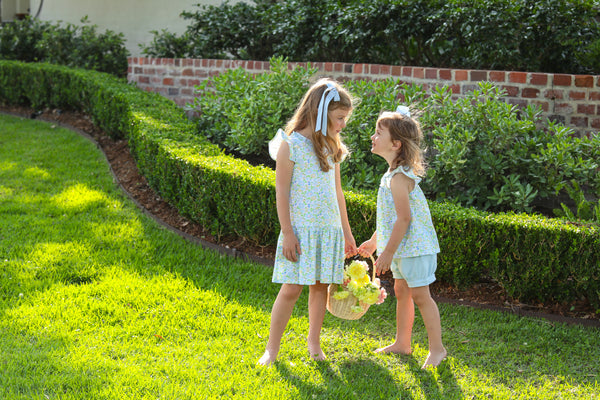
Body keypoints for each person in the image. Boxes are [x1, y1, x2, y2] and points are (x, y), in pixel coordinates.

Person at [258, 78, 358, 366]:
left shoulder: (332, 147)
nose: (342, 124)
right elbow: (282, 192)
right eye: (339, 118)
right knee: (291, 288)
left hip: (329, 231)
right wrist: (287, 233)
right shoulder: (290, 146)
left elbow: (337, 192)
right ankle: (271, 349)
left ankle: (314, 343)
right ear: (320, 111)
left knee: (319, 287)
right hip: (300, 232)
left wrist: (347, 234)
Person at [358, 106, 447, 369]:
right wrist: (376, 242)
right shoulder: (390, 176)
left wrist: (385, 254)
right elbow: (391, 218)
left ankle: (437, 349)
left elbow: (404, 219)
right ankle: (402, 343)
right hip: (403, 248)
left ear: (396, 144)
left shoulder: (399, 178)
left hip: (415, 249)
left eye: (378, 133)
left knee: (421, 296)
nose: (373, 137)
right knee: (402, 292)